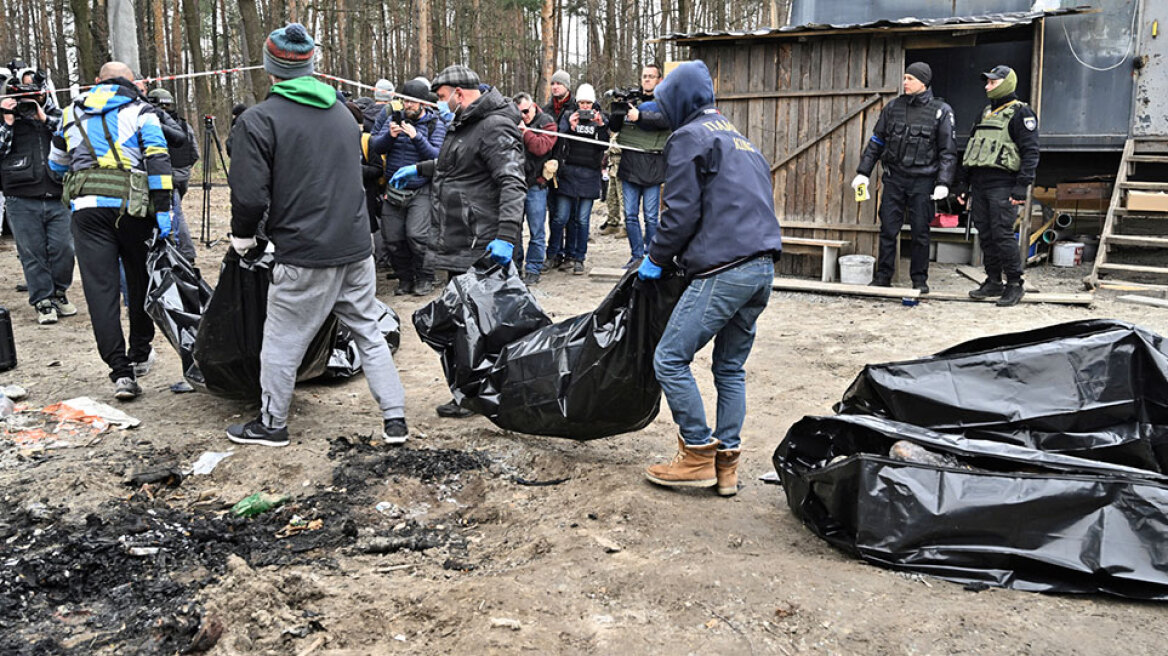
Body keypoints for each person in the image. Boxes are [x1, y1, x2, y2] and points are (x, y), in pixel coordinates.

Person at [226, 23, 409, 446]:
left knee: (282, 339)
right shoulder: (343, 115)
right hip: (356, 245)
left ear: (270, 68)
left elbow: (250, 197)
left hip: (304, 252)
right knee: (368, 330)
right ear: (311, 64)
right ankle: (395, 419)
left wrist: (243, 239)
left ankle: (272, 424)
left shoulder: (258, 120)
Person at [637, 60, 782, 496]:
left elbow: (680, 212)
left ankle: (697, 451)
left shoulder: (688, 139)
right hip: (762, 269)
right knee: (730, 367)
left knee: (669, 358)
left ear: (680, 100)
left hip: (726, 268)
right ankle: (727, 466)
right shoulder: (742, 141)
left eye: (664, 102)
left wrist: (656, 258)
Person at [388, 64, 525, 419]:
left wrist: (506, 236)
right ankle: (472, 390)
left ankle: (476, 394)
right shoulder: (464, 123)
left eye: (442, 97)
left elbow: (512, 181)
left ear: (459, 95)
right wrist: (419, 170)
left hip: (480, 240)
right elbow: (456, 166)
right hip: (460, 237)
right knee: (465, 320)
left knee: (478, 323)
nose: (440, 104)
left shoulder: (493, 125)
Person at [48, 61, 173, 400]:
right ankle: (140, 353)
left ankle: (120, 372)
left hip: (87, 211)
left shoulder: (70, 113)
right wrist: (164, 210)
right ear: (132, 82)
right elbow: (158, 161)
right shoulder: (142, 110)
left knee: (100, 290)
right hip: (133, 211)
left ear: (97, 81)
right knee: (139, 282)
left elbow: (56, 164)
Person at [851, 62, 956, 293]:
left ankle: (919, 280)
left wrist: (943, 182)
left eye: (910, 78)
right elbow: (876, 142)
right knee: (888, 228)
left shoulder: (941, 110)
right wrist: (863, 172)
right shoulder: (893, 107)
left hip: (924, 182)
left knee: (920, 231)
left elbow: (947, 151)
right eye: (905, 77)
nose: (905, 82)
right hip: (894, 179)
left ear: (923, 81)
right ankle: (883, 276)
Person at [957, 65, 1040, 307]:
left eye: (992, 83)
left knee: (1003, 235)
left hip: (1003, 185)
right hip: (980, 186)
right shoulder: (984, 113)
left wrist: (1021, 187)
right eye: (987, 82)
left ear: (1006, 83)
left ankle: (1015, 283)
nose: (987, 86)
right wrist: (963, 183)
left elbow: (1031, 153)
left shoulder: (1021, 113)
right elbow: (971, 148)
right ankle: (993, 281)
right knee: (986, 235)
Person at [0, 74, 75, 325]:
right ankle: (43, 301)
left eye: (32, 97)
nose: (27, 103)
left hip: (57, 193)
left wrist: (43, 118)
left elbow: (71, 137)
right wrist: (8, 121)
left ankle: (59, 292)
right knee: (32, 253)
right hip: (20, 197)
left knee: (64, 249)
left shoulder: (55, 115)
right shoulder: (4, 118)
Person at [369, 77, 446, 296]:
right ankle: (404, 278)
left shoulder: (434, 124)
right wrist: (389, 137)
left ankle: (425, 277)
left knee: (417, 236)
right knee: (392, 238)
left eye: (412, 102)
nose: (407, 105)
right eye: (405, 101)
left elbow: (437, 157)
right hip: (394, 190)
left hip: (421, 188)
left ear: (423, 103)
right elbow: (375, 146)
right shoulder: (393, 118)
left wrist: (417, 138)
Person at [613, 64, 671, 267]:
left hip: (653, 167)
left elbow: (665, 120)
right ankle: (637, 255)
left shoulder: (666, 102)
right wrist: (618, 110)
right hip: (630, 166)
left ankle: (650, 256)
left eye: (651, 76)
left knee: (651, 216)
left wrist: (641, 116)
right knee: (629, 215)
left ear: (659, 80)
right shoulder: (631, 101)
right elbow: (614, 127)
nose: (647, 80)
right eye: (644, 76)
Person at [548, 83, 607, 275]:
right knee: (561, 217)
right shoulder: (568, 116)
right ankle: (552, 254)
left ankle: (579, 257)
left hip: (590, 174)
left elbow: (603, 146)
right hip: (569, 173)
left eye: (588, 103)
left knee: (582, 220)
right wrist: (571, 127)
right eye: (581, 103)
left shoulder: (600, 119)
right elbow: (559, 139)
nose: (585, 107)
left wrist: (600, 126)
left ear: (593, 103)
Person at [146, 88, 200, 263]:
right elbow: (195, 152)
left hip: (165, 175)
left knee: (174, 214)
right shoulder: (183, 125)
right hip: (182, 175)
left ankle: (184, 253)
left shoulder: (152, 124)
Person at [514, 92, 558, 285]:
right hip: (515, 183)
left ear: (533, 106)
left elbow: (541, 147)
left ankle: (533, 267)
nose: (523, 116)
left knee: (537, 230)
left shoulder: (547, 122)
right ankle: (514, 267)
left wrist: (525, 132)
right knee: (513, 229)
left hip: (537, 185)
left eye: (525, 111)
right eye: (519, 113)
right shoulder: (511, 121)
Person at [541, 69, 578, 272]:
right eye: (553, 83)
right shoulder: (546, 110)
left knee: (567, 216)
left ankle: (568, 254)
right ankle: (555, 253)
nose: (555, 87)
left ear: (567, 86)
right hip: (550, 169)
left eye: (559, 84)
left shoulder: (576, 108)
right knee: (554, 214)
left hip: (571, 168)